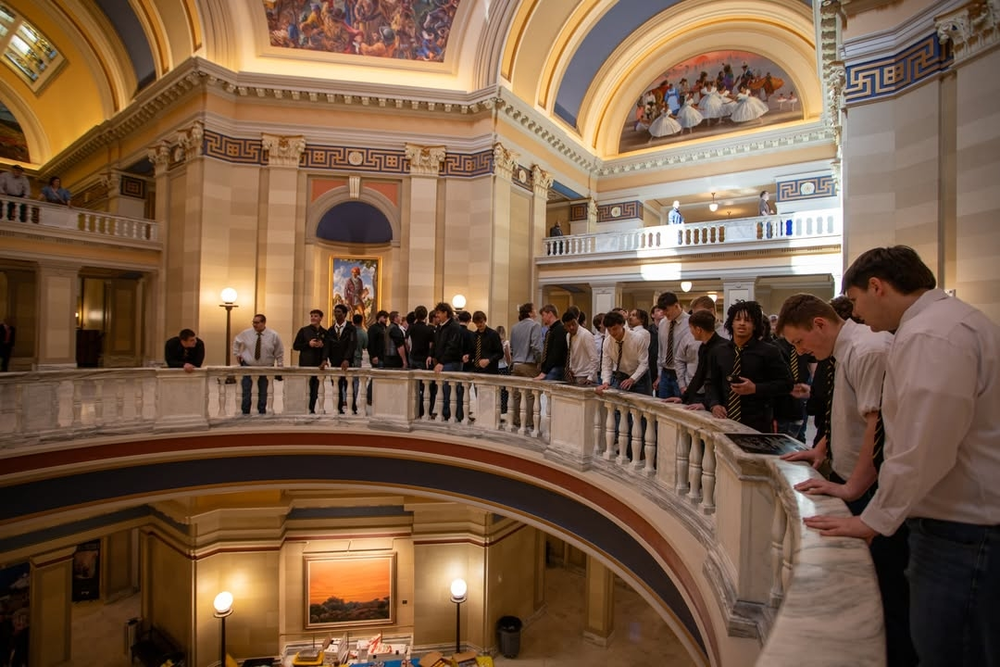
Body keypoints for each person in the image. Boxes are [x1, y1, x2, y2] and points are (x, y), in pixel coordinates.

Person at [800, 246, 1000, 667]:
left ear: (878, 286)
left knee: (947, 650)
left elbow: (922, 443)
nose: (855, 314)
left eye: (855, 301)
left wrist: (874, 518)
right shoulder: (942, 323)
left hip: (962, 528)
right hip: (958, 522)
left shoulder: (932, 333)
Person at [774, 293, 913, 666]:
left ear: (819, 324)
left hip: (871, 487)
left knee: (885, 592)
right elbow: (846, 411)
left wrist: (854, 488)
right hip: (851, 476)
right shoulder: (844, 352)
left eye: (799, 341)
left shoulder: (867, 350)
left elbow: (876, 424)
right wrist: (821, 448)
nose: (800, 351)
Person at [704, 300, 792, 433]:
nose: (742, 323)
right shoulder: (719, 351)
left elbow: (786, 384)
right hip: (724, 420)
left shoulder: (769, 351)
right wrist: (714, 404)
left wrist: (755, 388)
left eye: (748, 320)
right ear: (731, 323)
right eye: (738, 319)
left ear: (755, 325)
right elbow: (711, 382)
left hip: (757, 421)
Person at [663, 309, 723, 409]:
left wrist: (707, 404)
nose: (690, 332)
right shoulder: (704, 347)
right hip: (706, 399)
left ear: (698, 330)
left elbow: (720, 383)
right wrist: (683, 398)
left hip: (718, 403)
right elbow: (699, 375)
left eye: (691, 328)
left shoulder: (721, 348)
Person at [232, 314, 284, 415]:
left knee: (263, 391)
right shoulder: (246, 333)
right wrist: (237, 354)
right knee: (246, 390)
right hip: (248, 366)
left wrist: (280, 364)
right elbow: (236, 341)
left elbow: (279, 351)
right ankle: (245, 412)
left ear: (263, 323)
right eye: (253, 322)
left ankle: (261, 412)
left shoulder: (273, 335)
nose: (254, 325)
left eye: (257, 322)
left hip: (266, 367)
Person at [595, 311, 650, 395]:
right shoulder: (607, 342)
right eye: (609, 330)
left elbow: (644, 363)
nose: (612, 333)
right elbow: (606, 365)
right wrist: (605, 382)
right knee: (619, 405)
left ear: (622, 324)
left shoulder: (637, 339)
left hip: (640, 376)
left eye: (615, 329)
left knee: (642, 405)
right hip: (622, 375)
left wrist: (632, 379)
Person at [656, 292, 698, 399]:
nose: (664, 313)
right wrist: (659, 374)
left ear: (676, 305)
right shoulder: (662, 323)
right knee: (663, 408)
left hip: (682, 374)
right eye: (662, 310)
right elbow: (661, 350)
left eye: (666, 310)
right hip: (665, 373)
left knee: (681, 409)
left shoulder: (691, 322)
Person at [509, 302, 542, 429]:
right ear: (529, 313)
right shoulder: (535, 326)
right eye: (534, 309)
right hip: (529, 364)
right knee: (530, 394)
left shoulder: (514, 327)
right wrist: (540, 362)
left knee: (516, 394)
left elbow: (511, 348)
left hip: (515, 364)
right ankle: (529, 422)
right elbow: (536, 347)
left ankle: (516, 420)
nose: (536, 311)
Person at [431, 302, 464, 421]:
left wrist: (441, 362)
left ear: (445, 313)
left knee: (451, 391)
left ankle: (453, 415)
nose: (436, 315)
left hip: (451, 363)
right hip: (443, 362)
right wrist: (432, 356)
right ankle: (445, 413)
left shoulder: (454, 327)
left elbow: (452, 347)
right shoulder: (440, 326)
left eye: (439, 313)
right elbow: (436, 344)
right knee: (444, 391)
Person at [323, 304, 357, 413]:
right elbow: (327, 346)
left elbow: (352, 344)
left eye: (338, 312)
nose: (336, 314)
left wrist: (347, 359)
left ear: (344, 314)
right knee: (336, 386)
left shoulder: (351, 328)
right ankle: (338, 408)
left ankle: (352, 408)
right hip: (335, 361)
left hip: (347, 362)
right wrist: (324, 359)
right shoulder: (331, 330)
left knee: (349, 386)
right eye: (335, 312)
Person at [292, 309, 327, 413]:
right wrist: (308, 344)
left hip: (318, 365)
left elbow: (327, 348)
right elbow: (296, 346)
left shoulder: (324, 332)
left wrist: (322, 345)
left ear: (321, 318)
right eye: (312, 316)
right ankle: (304, 408)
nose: (313, 318)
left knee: (315, 390)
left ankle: (311, 408)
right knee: (305, 388)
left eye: (316, 316)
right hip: (305, 363)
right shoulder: (303, 330)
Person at [563, 310, 597, 385]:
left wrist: (590, 377)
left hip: (586, 375)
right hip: (574, 374)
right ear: (565, 326)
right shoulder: (568, 335)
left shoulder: (586, 335)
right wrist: (570, 368)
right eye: (568, 326)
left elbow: (594, 358)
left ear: (577, 321)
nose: (571, 327)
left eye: (573, 324)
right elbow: (571, 354)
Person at [535, 304, 568, 381]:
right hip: (550, 368)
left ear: (550, 314)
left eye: (543, 315)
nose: (542, 318)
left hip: (556, 368)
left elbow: (555, 353)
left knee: (546, 392)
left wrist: (545, 371)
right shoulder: (550, 330)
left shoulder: (560, 329)